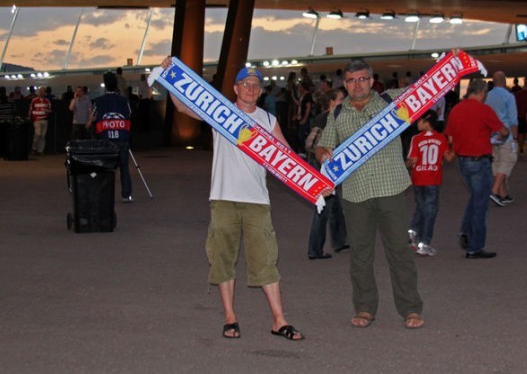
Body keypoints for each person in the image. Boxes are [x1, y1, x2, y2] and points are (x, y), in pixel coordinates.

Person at [166, 61, 304, 341]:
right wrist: (169, 78)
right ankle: (230, 318)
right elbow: (183, 107)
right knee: (223, 259)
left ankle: (279, 320)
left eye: (255, 85)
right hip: (224, 197)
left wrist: (316, 181)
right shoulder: (222, 113)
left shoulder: (268, 120)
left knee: (266, 259)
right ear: (235, 88)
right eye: (245, 84)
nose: (251, 89)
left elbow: (288, 158)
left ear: (260, 91)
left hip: (257, 200)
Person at [315, 58, 424, 330]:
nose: (357, 84)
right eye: (351, 80)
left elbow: (427, 89)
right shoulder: (338, 113)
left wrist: (453, 62)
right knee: (360, 255)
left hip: (391, 189)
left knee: (399, 251)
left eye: (362, 79)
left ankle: (410, 308)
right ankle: (364, 308)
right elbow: (323, 145)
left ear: (372, 80)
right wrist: (323, 153)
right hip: (355, 193)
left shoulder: (392, 100)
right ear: (345, 84)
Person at [445, 78, 508, 258]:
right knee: (481, 204)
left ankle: (465, 231)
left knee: (476, 197)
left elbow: (449, 137)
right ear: (482, 93)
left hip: (462, 161)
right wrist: (501, 137)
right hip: (480, 161)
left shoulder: (456, 109)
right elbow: (503, 131)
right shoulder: (484, 110)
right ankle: (475, 247)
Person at [306, 89, 349, 260]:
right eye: (340, 99)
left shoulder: (337, 119)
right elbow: (311, 144)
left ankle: (339, 241)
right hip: (321, 168)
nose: (344, 102)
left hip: (330, 168)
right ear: (331, 102)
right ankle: (315, 250)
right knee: (322, 207)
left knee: (335, 204)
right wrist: (324, 152)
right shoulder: (323, 119)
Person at [406, 109, 453, 256]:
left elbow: (412, 160)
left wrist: (404, 166)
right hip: (433, 178)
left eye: (420, 121)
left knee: (421, 206)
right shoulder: (441, 138)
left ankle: (413, 231)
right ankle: (424, 242)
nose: (417, 123)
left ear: (427, 123)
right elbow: (449, 158)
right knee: (430, 210)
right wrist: (455, 145)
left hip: (418, 177)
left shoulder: (417, 139)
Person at [91, 72, 133, 202]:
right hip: (122, 139)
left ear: (105, 86)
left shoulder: (98, 101)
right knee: (124, 168)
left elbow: (93, 116)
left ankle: (105, 194)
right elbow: (130, 114)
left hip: (106, 140)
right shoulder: (124, 100)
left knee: (106, 168)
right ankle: (126, 195)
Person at [484, 71, 519, 206]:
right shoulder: (509, 97)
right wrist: (515, 138)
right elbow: (513, 119)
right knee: (508, 161)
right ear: (505, 81)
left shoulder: (487, 96)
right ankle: (493, 191)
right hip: (506, 134)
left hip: (492, 135)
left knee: (496, 163)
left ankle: (502, 193)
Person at [0, 86, 16, 157]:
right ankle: (9, 152)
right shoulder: (11, 100)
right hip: (9, 122)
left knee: (1, 139)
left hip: (0, 122)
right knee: (8, 138)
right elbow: (14, 110)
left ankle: (2, 153)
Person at [28, 86, 52, 155]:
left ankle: (40, 150)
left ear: (45, 92)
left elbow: (50, 109)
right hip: (36, 119)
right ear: (39, 92)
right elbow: (30, 109)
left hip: (44, 120)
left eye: (43, 91)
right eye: (41, 91)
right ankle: (33, 148)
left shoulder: (47, 101)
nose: (42, 93)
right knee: (37, 134)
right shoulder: (34, 100)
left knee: (42, 136)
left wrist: (48, 111)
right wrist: (30, 117)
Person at [514, 79, 527, 155]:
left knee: (521, 134)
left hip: (520, 115)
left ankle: (521, 149)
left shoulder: (518, 94)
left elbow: (516, 105)